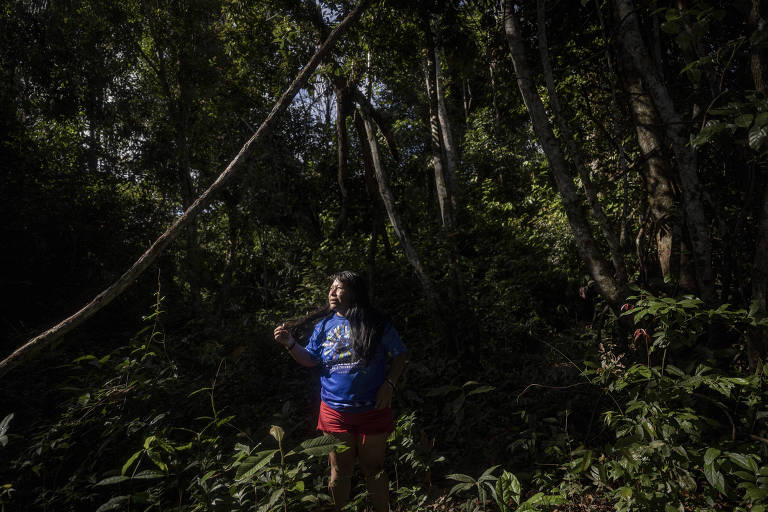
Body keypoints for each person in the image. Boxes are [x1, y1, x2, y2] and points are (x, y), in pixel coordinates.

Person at [274, 271, 407, 512]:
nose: (332, 292)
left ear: (354, 292)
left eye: (338, 287)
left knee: (374, 469)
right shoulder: (325, 325)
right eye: (331, 288)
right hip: (335, 412)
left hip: (373, 410)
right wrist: (290, 344)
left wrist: (389, 385)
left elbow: (400, 355)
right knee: (339, 471)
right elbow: (310, 359)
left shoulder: (376, 322)